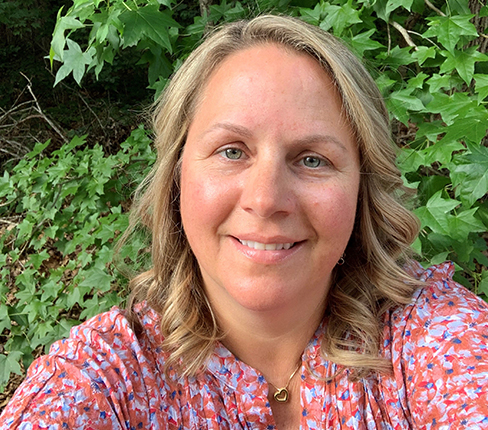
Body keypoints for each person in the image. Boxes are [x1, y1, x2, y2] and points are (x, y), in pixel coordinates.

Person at [1, 14, 488, 430]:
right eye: (231, 151)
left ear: (362, 187)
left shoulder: (437, 339)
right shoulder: (105, 379)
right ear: (176, 176)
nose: (265, 199)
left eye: (312, 159)